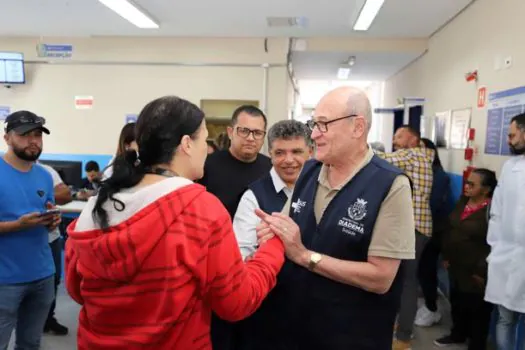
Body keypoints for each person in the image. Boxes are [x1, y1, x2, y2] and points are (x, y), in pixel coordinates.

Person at [65, 96, 285, 350]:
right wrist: (273, 246)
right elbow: (237, 302)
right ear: (186, 144)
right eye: (204, 140)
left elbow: (76, 289)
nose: (207, 148)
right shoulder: (199, 210)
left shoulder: (96, 207)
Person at [256, 86, 416, 350]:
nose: (314, 134)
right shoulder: (309, 171)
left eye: (323, 124)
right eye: (314, 124)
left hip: (353, 335)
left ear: (357, 127)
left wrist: (305, 256)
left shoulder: (390, 184)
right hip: (297, 328)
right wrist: (272, 229)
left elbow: (381, 277)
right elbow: (287, 227)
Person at [233, 120, 311, 350]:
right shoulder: (253, 197)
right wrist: (264, 245)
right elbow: (240, 258)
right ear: (270, 153)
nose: (288, 160)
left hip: (314, 311)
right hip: (269, 313)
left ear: (310, 151)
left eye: (296, 152)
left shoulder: (321, 188)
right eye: (280, 153)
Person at [199, 105, 272, 350]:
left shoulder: (271, 169)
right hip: (214, 267)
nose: (251, 138)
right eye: (244, 131)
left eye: (257, 133)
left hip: (257, 265)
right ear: (230, 131)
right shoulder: (206, 167)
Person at [0, 111, 61, 349]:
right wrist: (17, 225)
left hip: (42, 275)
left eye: (37, 135)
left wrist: (51, 220)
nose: (33, 140)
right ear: (7, 138)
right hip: (5, 280)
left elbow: (45, 210)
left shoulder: (44, 176)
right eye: (25, 135)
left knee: (30, 344)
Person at [374, 125, 434, 349]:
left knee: (407, 282)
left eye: (399, 136)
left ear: (413, 138)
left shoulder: (413, 154)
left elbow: (379, 158)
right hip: (420, 226)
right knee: (403, 280)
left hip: (414, 227)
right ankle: (400, 327)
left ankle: (403, 337)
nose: (395, 139)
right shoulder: (424, 155)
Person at [435, 168, 496, 349]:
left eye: (472, 184)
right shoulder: (463, 202)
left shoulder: (491, 211)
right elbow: (451, 228)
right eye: (467, 182)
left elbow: (491, 244)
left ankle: (476, 344)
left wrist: (481, 271)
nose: (467, 186)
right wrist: (446, 256)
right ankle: (458, 334)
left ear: (485, 189)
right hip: (455, 265)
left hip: (476, 269)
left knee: (477, 310)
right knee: (458, 303)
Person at [485, 113, 525, 350]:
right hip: (506, 256)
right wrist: (495, 246)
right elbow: (497, 211)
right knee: (504, 319)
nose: (508, 141)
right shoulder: (510, 167)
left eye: (512, 135)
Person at [415, 137, 451, 327]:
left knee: (427, 270)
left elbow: (433, 205)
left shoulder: (439, 176)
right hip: (419, 229)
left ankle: (432, 309)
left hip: (432, 231)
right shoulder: (420, 173)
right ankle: (428, 305)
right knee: (420, 270)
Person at [38, 162, 72, 336]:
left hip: (50, 239)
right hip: (19, 237)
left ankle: (47, 319)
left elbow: (66, 194)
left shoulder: (47, 171)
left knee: (53, 280)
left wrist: (40, 196)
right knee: (19, 286)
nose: (33, 142)